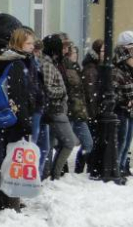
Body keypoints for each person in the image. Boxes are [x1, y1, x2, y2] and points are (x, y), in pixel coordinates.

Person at [0, 28, 37, 211]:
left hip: (13, 118)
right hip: (14, 120)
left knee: (12, 158)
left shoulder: (18, 61)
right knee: (13, 159)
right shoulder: (17, 64)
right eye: (28, 44)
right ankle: (10, 201)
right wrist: (25, 121)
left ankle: (9, 198)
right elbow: (18, 96)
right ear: (18, 44)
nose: (32, 47)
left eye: (32, 43)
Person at [41, 34, 78, 179]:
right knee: (69, 142)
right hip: (55, 109)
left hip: (56, 109)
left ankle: (50, 173)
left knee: (50, 145)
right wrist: (62, 92)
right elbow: (48, 89)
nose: (66, 50)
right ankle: (54, 174)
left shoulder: (53, 63)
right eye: (63, 47)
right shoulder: (48, 65)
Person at [62, 44, 93, 174]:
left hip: (78, 112)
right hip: (70, 111)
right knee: (66, 144)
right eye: (73, 52)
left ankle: (79, 170)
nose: (75, 54)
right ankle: (62, 170)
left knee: (88, 143)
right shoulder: (65, 69)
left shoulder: (76, 69)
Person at [112, 33, 133, 179]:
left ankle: (121, 167)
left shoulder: (129, 69)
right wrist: (126, 101)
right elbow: (113, 94)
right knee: (121, 141)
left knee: (126, 142)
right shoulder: (117, 69)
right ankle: (117, 169)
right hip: (121, 111)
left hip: (129, 110)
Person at [82, 39, 104, 177]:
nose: (105, 53)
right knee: (90, 142)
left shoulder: (98, 66)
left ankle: (91, 167)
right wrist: (95, 112)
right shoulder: (91, 68)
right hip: (92, 112)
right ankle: (88, 167)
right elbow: (91, 93)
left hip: (95, 111)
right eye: (102, 50)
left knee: (92, 142)